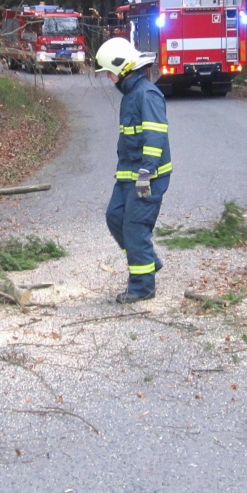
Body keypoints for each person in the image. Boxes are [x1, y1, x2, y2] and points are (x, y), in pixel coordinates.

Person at [95, 37, 172, 304]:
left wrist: (146, 173)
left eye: (110, 72)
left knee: (135, 227)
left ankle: (142, 287)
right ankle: (146, 261)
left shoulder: (146, 94)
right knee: (115, 217)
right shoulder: (131, 94)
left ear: (123, 68)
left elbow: (155, 136)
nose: (108, 77)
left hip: (147, 176)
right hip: (128, 174)